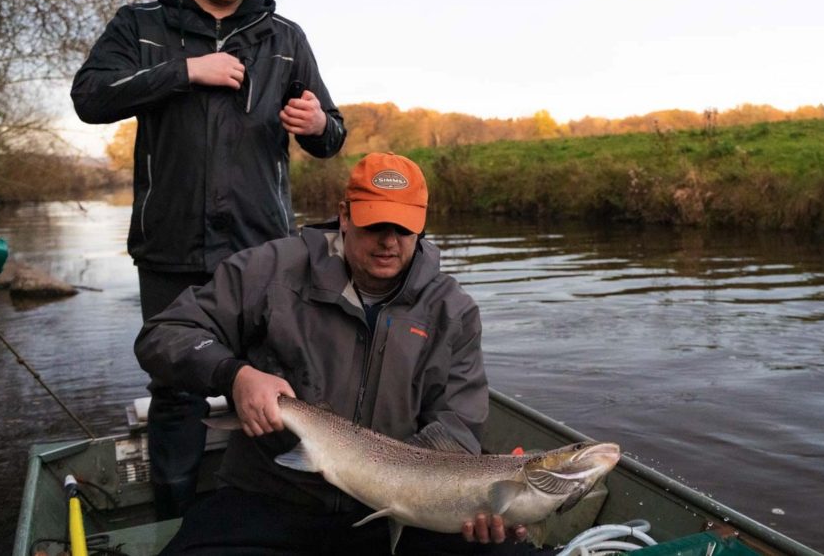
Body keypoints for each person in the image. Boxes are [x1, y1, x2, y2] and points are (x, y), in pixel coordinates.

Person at [71, 0, 346, 518]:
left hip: (261, 248)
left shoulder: (284, 38)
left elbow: (331, 138)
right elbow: (89, 97)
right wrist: (185, 70)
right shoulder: (142, 26)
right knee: (175, 390)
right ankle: (176, 518)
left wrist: (317, 123)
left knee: (278, 384)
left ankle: (284, 514)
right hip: (169, 246)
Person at [135, 153, 542, 555]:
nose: (388, 240)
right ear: (345, 215)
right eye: (375, 223)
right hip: (271, 495)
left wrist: (466, 504)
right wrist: (234, 375)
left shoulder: (452, 311)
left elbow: (456, 426)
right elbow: (164, 333)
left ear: (421, 226)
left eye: (403, 227)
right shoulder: (270, 269)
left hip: (394, 512)